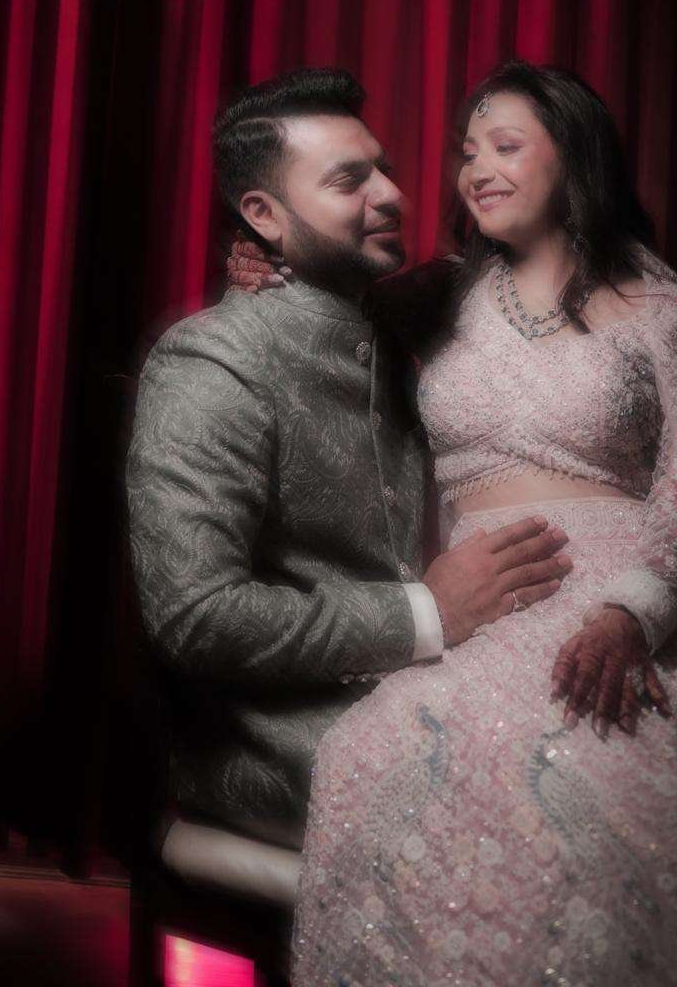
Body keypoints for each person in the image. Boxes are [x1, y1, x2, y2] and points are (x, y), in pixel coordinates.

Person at [230, 61, 677, 984]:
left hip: (631, 599)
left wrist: (631, 615)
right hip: (481, 600)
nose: (477, 169)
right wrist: (262, 265)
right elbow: (315, 323)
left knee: (606, 775)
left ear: (573, 157)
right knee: (367, 751)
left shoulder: (665, 315)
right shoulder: (434, 299)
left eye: (504, 146)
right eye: (468, 153)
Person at [124, 67, 572, 853]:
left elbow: (503, 264)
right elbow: (195, 616)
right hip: (279, 746)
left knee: (604, 764)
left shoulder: (393, 315)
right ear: (261, 214)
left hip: (436, 698)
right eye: (348, 180)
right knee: (543, 810)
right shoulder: (211, 360)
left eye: (384, 170)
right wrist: (426, 612)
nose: (392, 195)